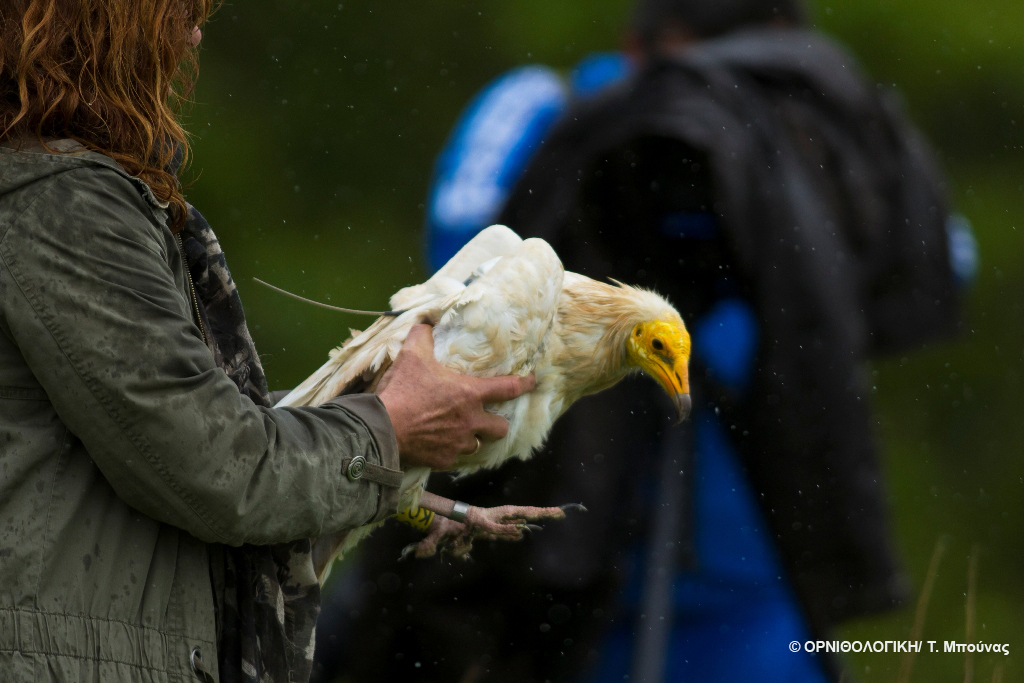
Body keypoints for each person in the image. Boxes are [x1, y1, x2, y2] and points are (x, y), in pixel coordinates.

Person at [315, 1, 969, 682]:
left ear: (639, 40)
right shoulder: (835, 129)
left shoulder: (545, 108)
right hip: (744, 570)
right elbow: (935, 272)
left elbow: (459, 245)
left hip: (585, 568)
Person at [0, 2, 537, 682]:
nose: (195, 35)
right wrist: (390, 426)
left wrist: (358, 416)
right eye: (181, 11)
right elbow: (212, 465)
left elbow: (160, 437)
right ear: (102, 24)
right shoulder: (58, 201)